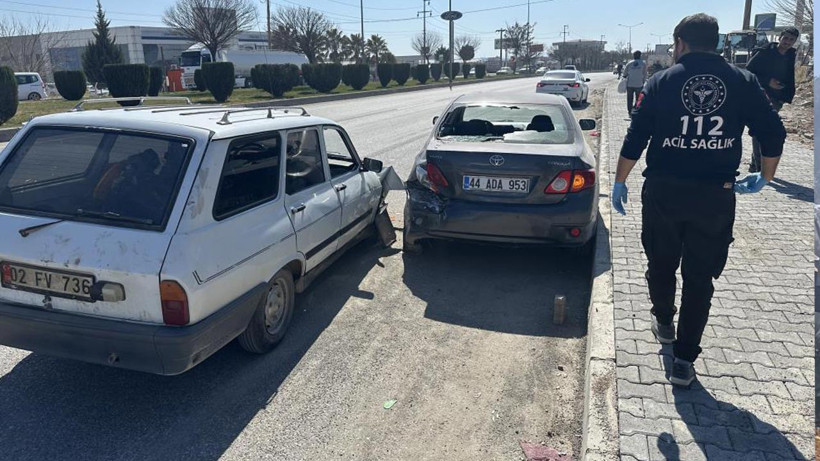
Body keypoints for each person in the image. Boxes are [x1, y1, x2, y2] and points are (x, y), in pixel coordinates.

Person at [610, 13, 786, 387]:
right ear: (718, 43)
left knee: (660, 263)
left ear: (680, 42)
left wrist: (619, 180)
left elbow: (636, 136)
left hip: (664, 193)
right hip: (715, 196)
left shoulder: (661, 82)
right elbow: (773, 131)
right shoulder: (742, 81)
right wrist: (766, 176)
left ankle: (663, 322)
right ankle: (684, 361)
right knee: (700, 277)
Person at [746, 27, 800, 173]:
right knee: (761, 130)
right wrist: (767, 81)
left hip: (776, 99)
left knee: (765, 131)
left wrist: (786, 95)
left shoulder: (790, 55)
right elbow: (749, 71)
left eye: (791, 40)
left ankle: (756, 165)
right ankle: (758, 166)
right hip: (760, 96)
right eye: (786, 38)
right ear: (780, 38)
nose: (787, 42)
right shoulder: (765, 52)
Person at [623, 51, 648, 115]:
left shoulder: (629, 63)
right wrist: (643, 81)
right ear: (640, 55)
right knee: (639, 99)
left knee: (629, 99)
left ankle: (629, 111)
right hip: (639, 84)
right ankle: (636, 110)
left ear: (633, 56)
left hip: (630, 84)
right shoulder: (643, 63)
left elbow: (624, 74)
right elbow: (645, 74)